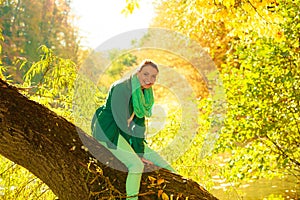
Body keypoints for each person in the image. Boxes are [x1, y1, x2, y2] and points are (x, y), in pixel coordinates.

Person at [91, 59, 176, 200]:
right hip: (109, 131)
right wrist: (137, 154)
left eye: (153, 76)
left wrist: (140, 149)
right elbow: (120, 122)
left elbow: (139, 125)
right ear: (138, 73)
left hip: (126, 133)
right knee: (136, 165)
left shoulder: (143, 94)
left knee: (165, 165)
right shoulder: (121, 88)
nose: (149, 79)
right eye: (146, 74)